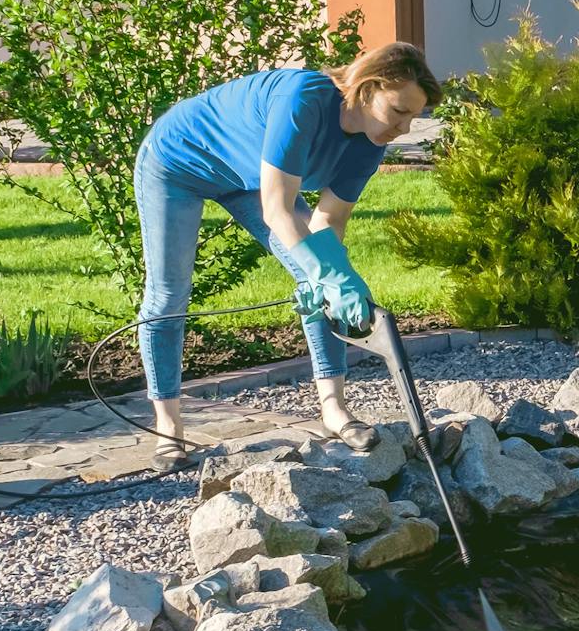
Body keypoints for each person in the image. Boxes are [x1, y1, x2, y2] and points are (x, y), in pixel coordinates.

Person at [134, 42, 442, 469]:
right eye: (399, 111)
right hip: (178, 163)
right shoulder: (303, 99)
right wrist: (324, 273)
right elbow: (277, 209)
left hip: (247, 177)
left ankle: (333, 410)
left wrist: (332, 276)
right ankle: (169, 429)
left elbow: (327, 224)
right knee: (169, 296)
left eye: (413, 117)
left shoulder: (370, 143)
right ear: (367, 88)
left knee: (317, 277)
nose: (404, 129)